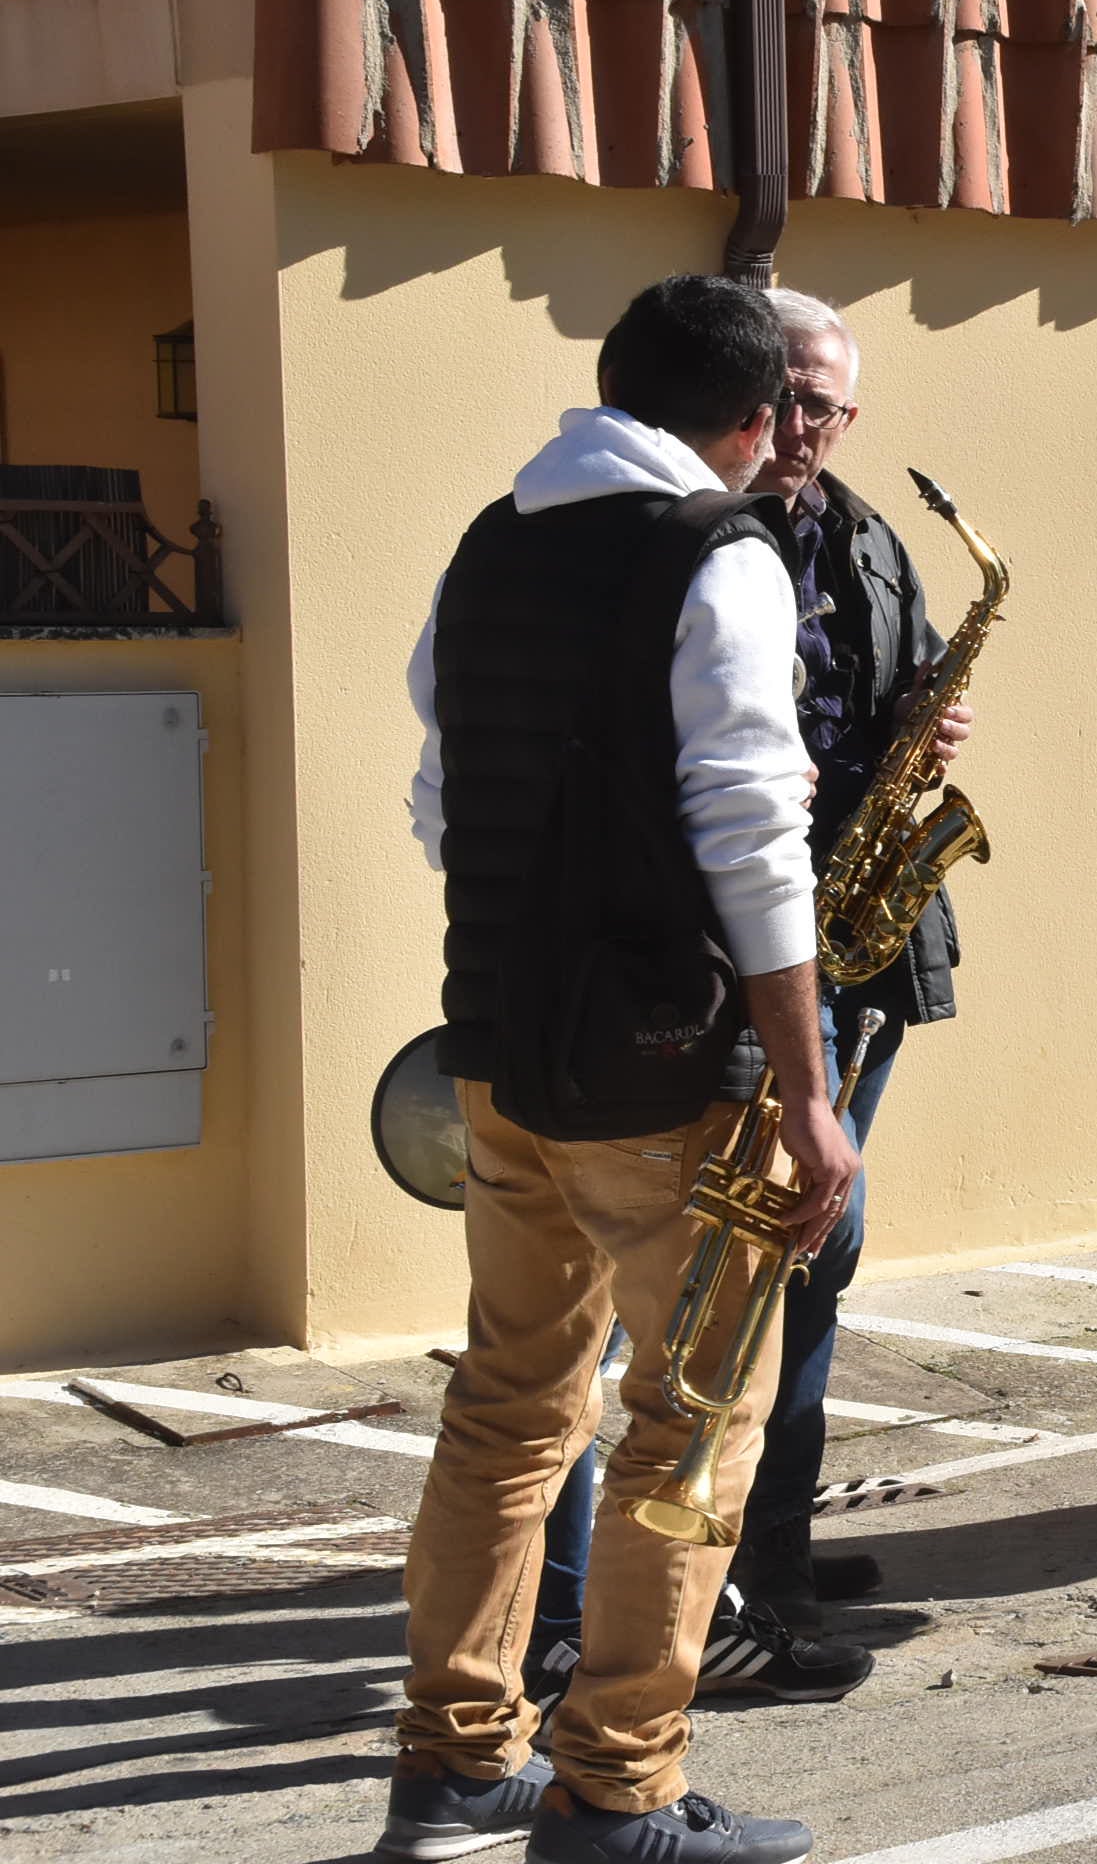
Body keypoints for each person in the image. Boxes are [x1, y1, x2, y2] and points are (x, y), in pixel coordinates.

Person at [386, 274, 845, 1864]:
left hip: (502, 1058)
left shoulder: (489, 545)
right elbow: (750, 830)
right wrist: (805, 1084)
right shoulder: (717, 554)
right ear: (746, 419)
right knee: (695, 1418)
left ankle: (454, 1760)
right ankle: (618, 1785)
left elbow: (441, 804)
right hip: (666, 1073)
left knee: (511, 1403)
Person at [522, 290, 973, 1717]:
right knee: (667, 1317)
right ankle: (591, 1607)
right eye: (784, 398)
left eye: (828, 408)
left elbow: (880, 706)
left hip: (846, 941)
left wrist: (926, 727)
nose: (800, 429)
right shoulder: (691, 535)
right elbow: (722, 801)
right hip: (729, 967)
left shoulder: (869, 538)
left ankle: (772, 1551)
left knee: (810, 1266)